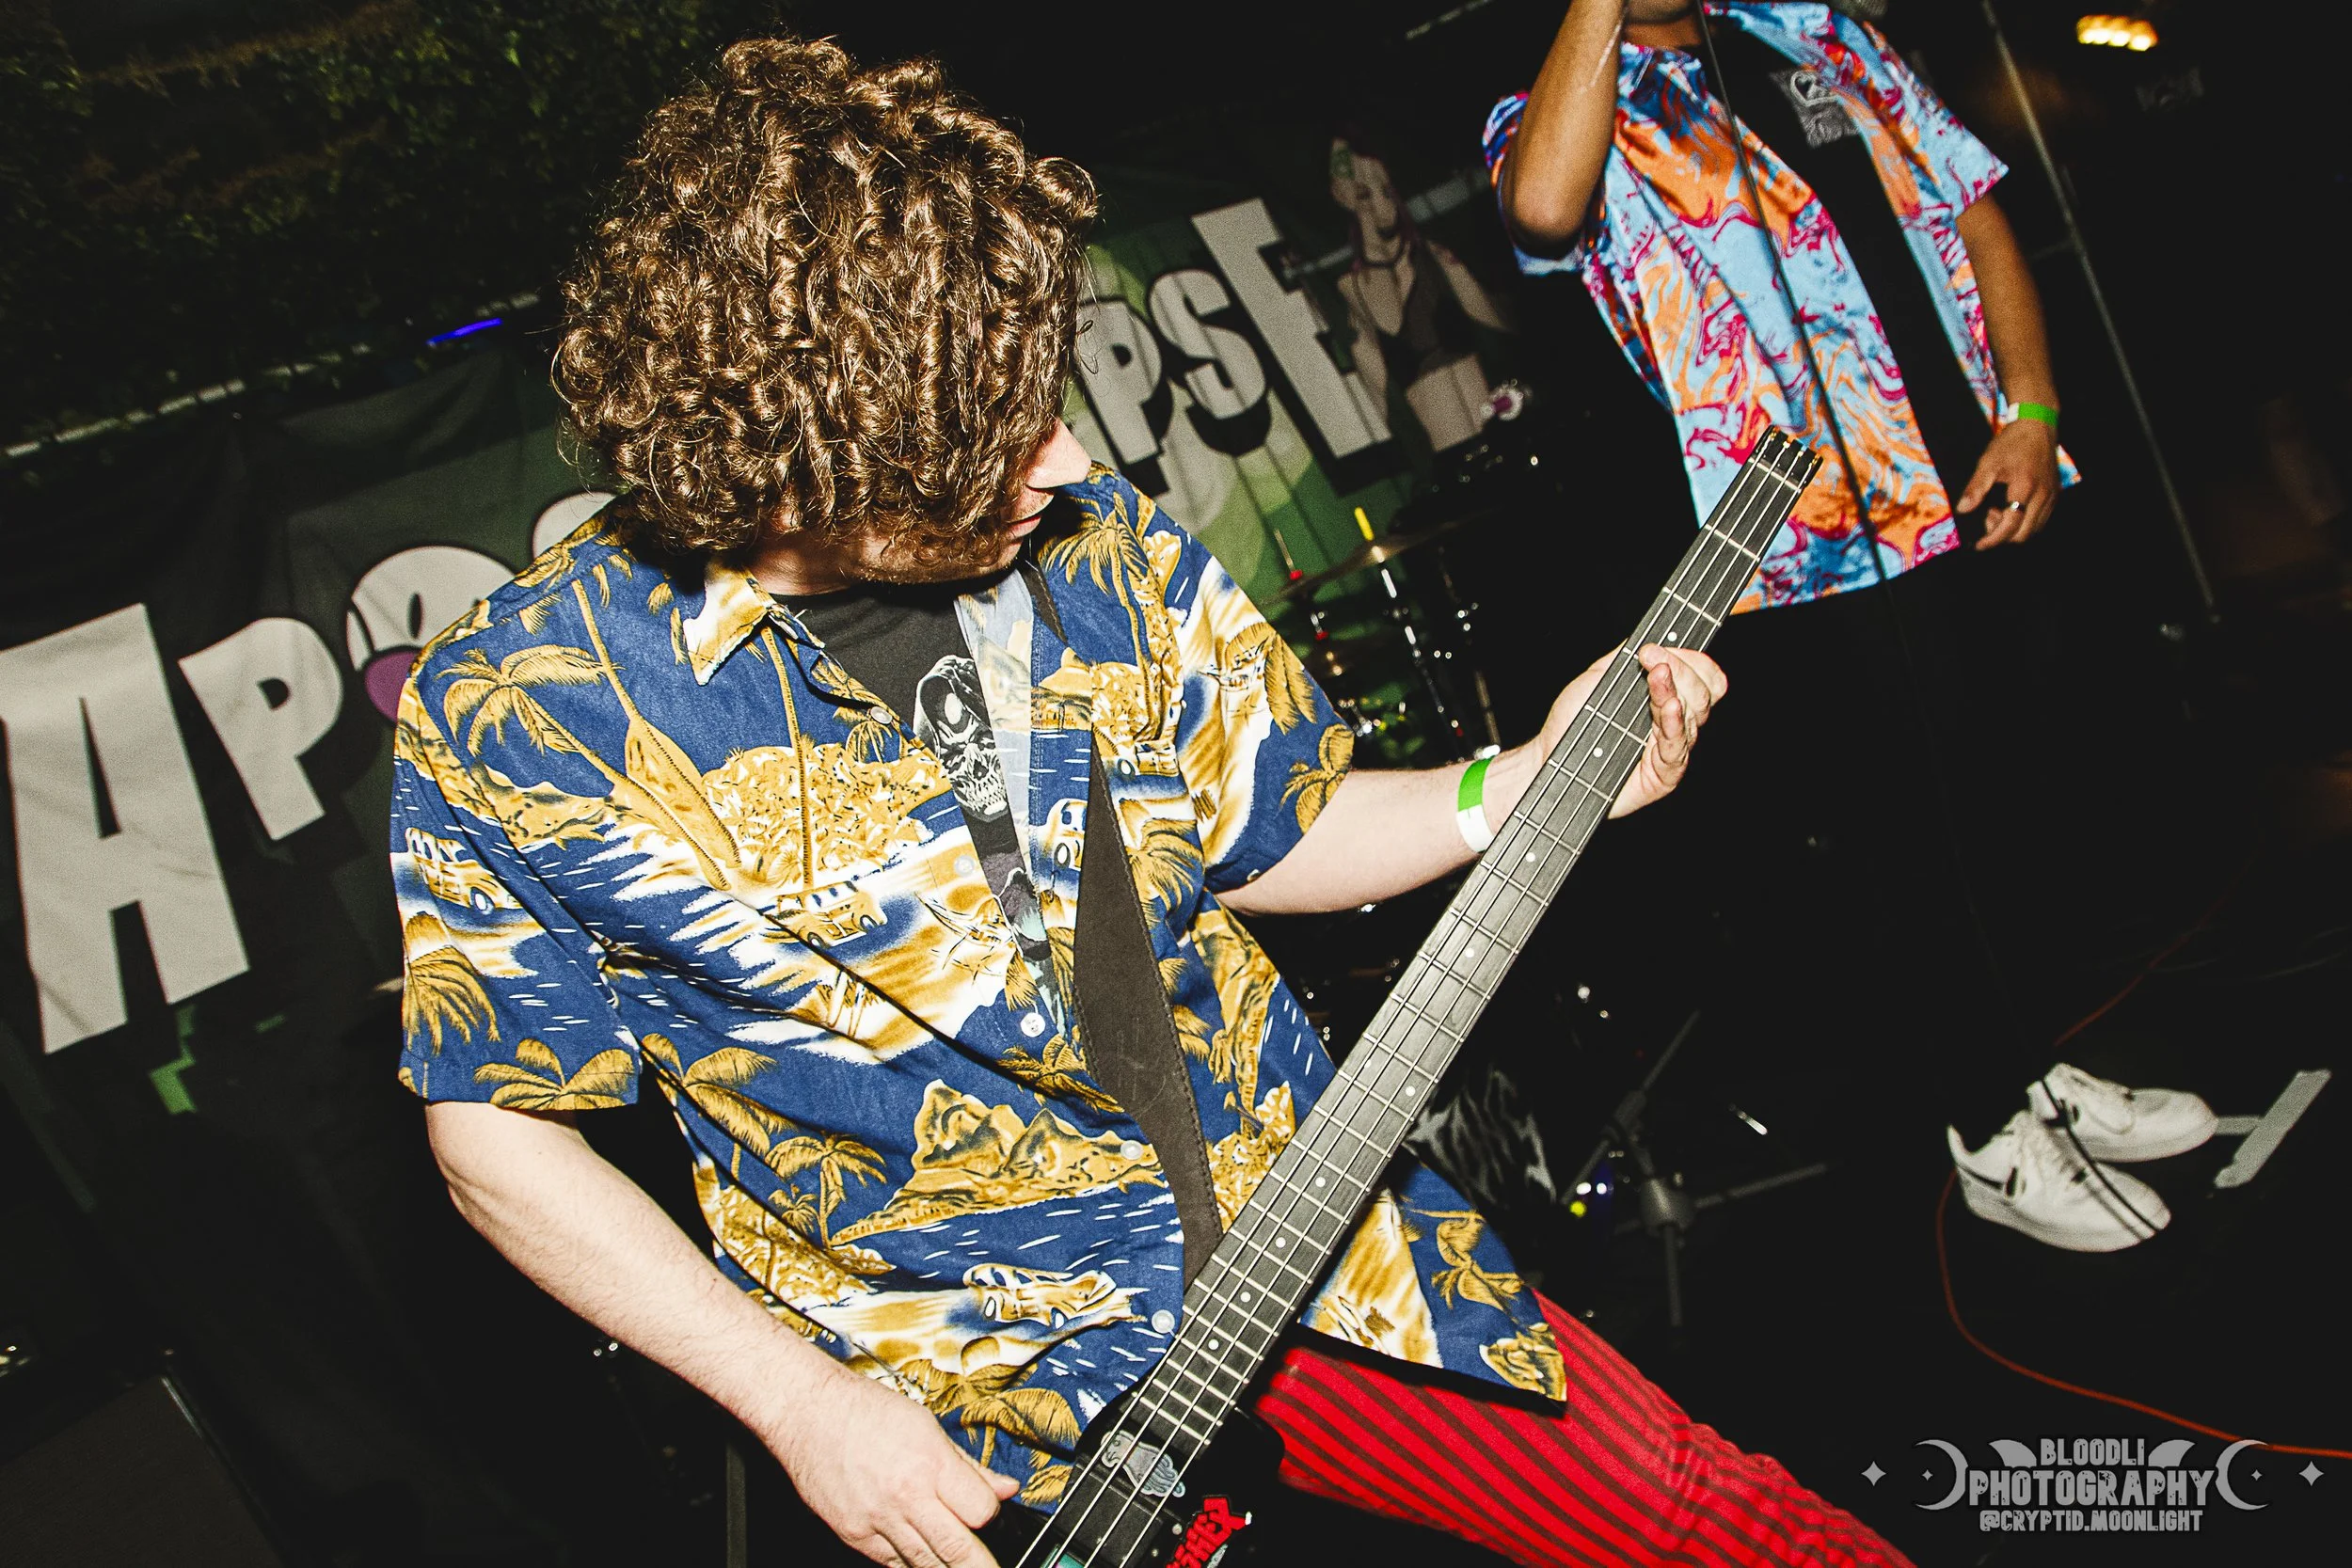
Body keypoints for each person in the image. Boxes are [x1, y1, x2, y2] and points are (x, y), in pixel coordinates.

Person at [393, 36, 1914, 1568]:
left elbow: (1278, 830)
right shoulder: (526, 708)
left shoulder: (1087, 542)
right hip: (984, 1409)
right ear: (800, 472)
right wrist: (795, 1403)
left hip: (1303, 1246)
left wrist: (1522, 781)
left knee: (1724, 1527)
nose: (1063, 456)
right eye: (997, 436)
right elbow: (496, 1138)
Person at [1486, 0, 2214, 1253]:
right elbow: (1545, 211)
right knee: (1903, 836)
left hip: (1961, 483)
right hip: (1795, 545)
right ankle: (1989, 1130)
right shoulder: (1562, 105)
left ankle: (2031, 1068)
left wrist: (2030, 411)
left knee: (2002, 801)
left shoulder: (1813, 35)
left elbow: (1974, 210)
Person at [1328, 135, 1515, 457]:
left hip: (1492, 421)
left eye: (1379, 186)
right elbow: (1384, 339)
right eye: (1357, 186)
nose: (1374, 199)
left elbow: (1500, 320)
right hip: (1448, 443)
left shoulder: (1433, 256)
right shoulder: (1352, 287)